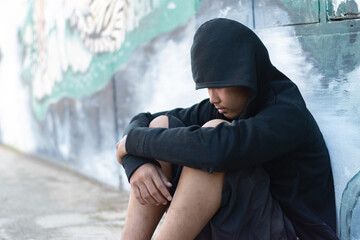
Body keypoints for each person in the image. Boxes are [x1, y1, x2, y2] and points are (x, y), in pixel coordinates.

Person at [116, 18, 338, 240]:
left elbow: (216, 150)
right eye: (207, 87)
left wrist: (133, 144)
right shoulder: (225, 107)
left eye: (219, 85)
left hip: (295, 233)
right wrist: (137, 163)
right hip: (249, 226)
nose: (213, 98)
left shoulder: (287, 113)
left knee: (209, 143)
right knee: (160, 126)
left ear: (246, 74)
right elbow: (145, 120)